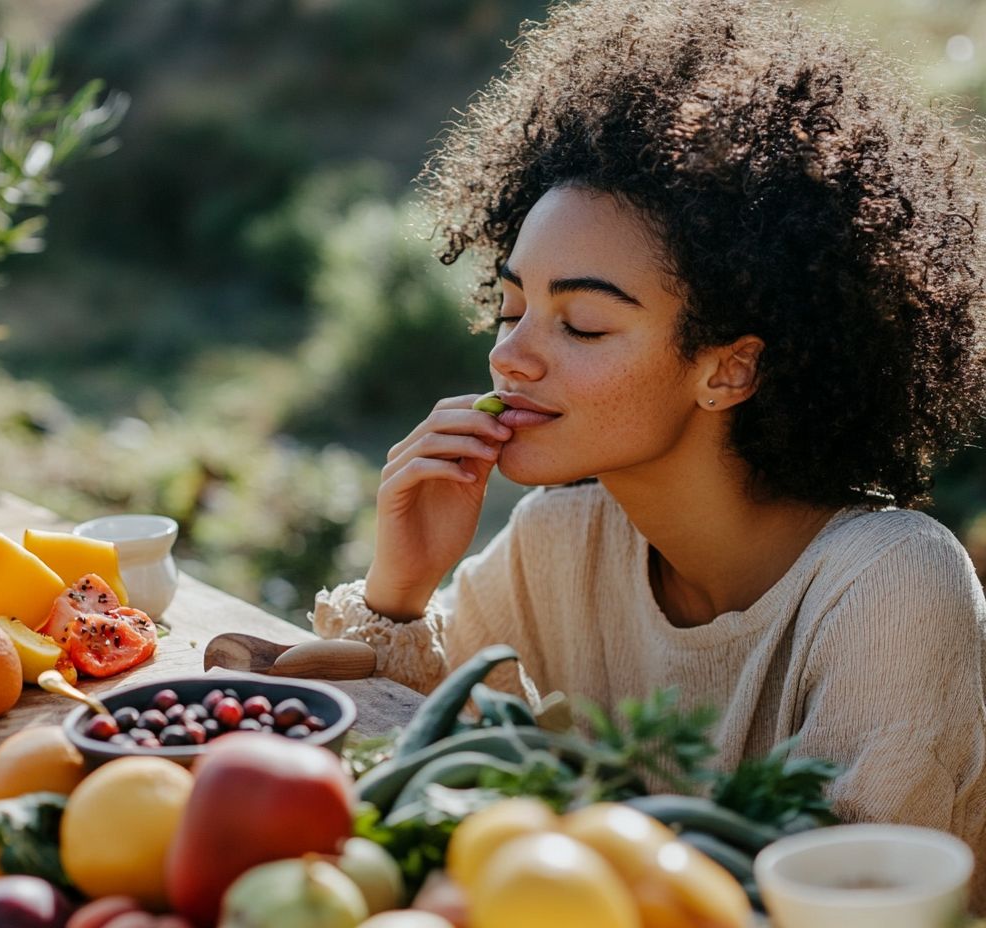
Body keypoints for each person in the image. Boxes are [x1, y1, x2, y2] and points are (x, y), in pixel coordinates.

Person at [310, 0, 986, 909]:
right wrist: (402, 586)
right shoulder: (558, 545)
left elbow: (840, 901)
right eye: (512, 309)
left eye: (583, 322)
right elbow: (400, 770)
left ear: (729, 370)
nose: (510, 354)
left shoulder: (893, 588)